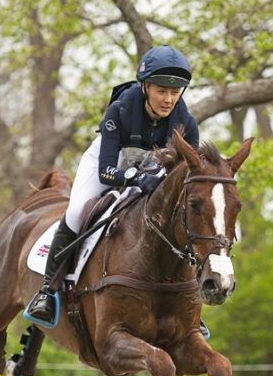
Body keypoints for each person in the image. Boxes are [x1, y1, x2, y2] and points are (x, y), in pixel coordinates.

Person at [25, 45, 200, 326]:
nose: (168, 100)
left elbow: (187, 177)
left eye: (175, 92)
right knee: (76, 212)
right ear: (145, 87)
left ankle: (187, 299)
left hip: (151, 170)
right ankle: (48, 290)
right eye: (161, 91)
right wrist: (135, 178)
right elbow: (107, 173)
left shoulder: (186, 124)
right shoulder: (120, 110)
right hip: (108, 163)